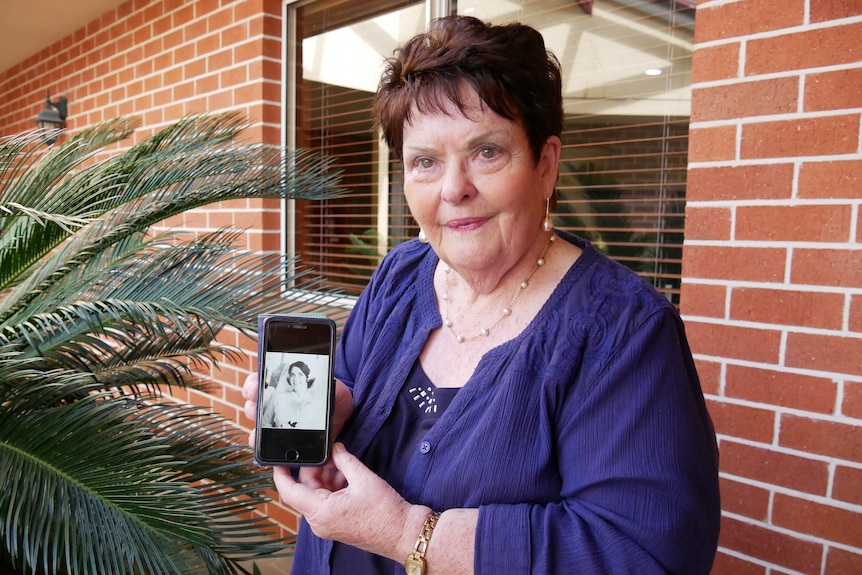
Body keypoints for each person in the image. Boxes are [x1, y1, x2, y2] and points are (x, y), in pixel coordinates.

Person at [243, 14, 720, 575]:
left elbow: (644, 553)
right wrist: (336, 410)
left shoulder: (622, 331)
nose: (453, 188)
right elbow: (348, 381)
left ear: (545, 164)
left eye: (486, 152)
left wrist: (407, 533)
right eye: (425, 161)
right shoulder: (401, 274)